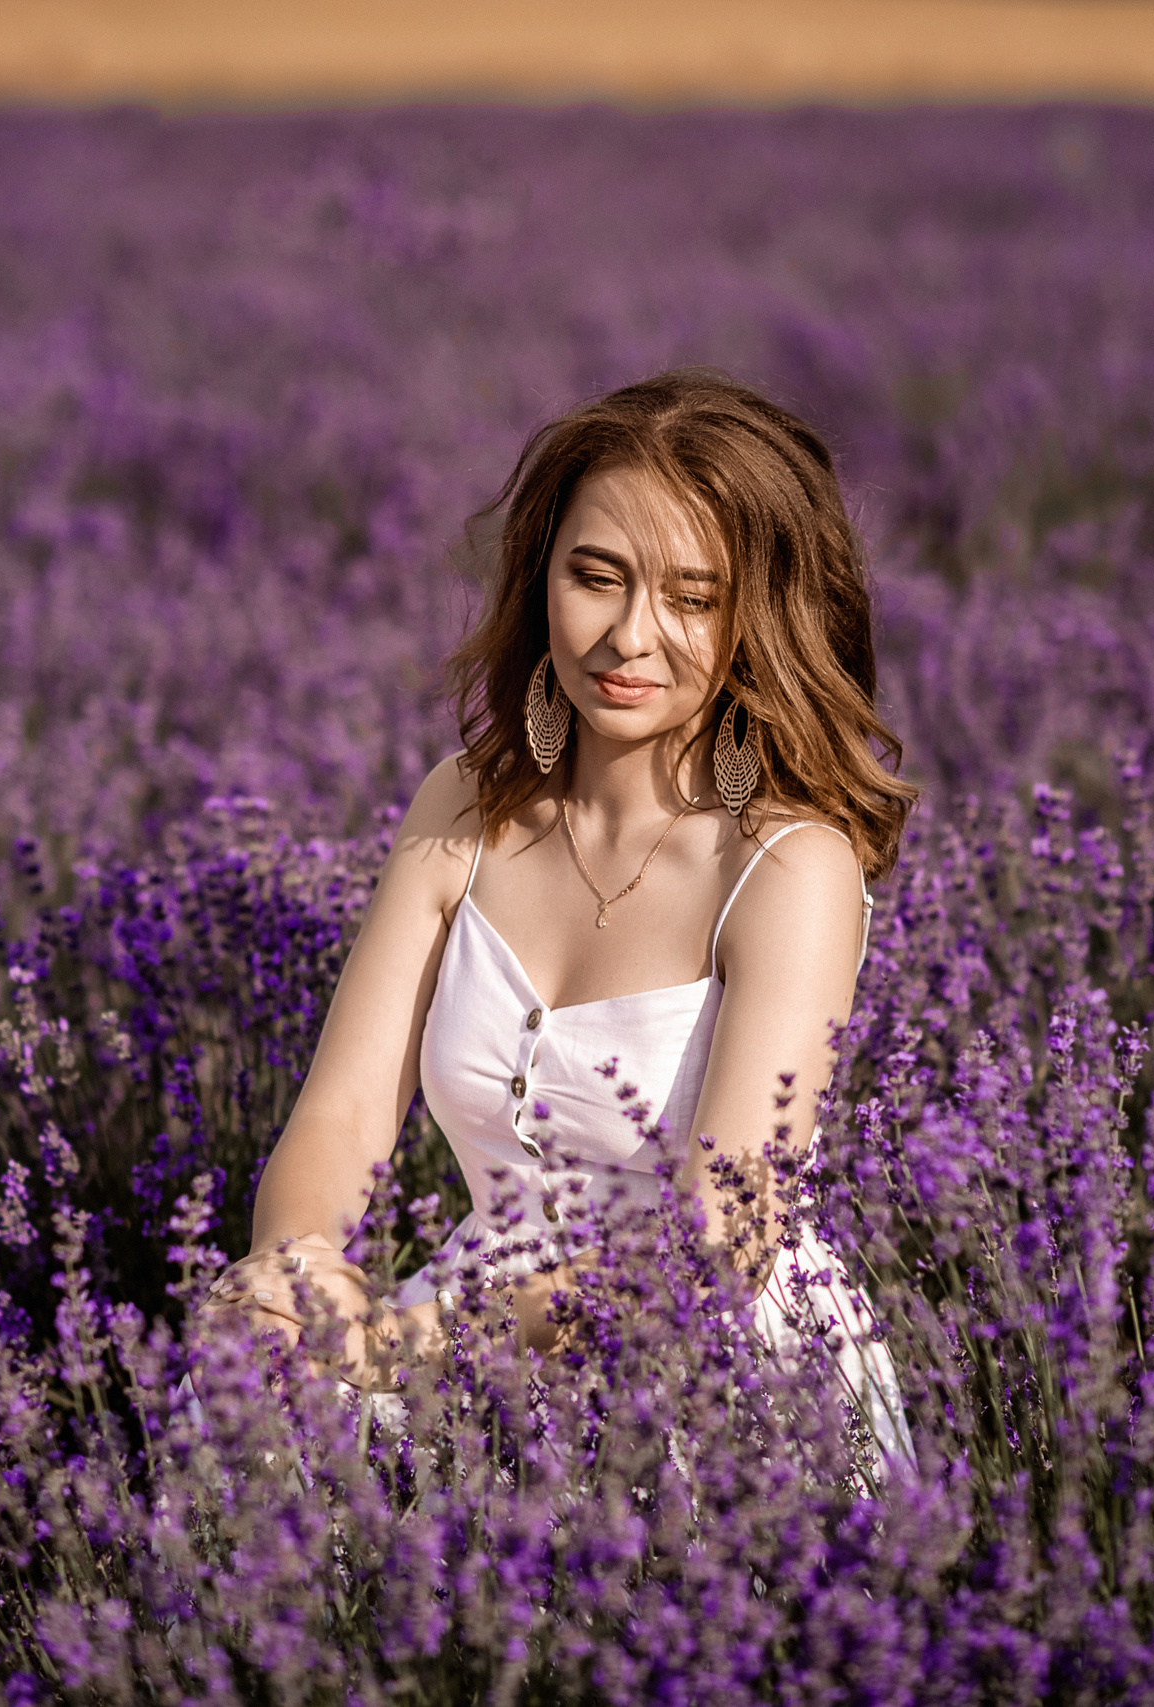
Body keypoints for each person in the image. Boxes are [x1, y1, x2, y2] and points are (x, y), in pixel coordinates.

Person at [205, 369, 917, 1460]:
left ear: (761, 616)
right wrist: (291, 1275)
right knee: (246, 1413)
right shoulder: (464, 805)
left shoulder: (787, 864)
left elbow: (718, 1249)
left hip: (702, 1371)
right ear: (542, 578)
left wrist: (410, 1340)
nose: (631, 635)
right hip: (454, 1326)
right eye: (597, 576)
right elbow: (344, 1116)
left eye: (693, 597)